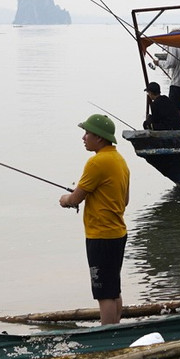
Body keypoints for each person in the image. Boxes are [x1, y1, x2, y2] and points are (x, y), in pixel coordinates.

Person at [58, 114, 130, 324]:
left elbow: (75, 198)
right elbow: (125, 200)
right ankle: (116, 329)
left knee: (103, 293)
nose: (83, 138)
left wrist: (65, 200)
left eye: (87, 133)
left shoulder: (96, 162)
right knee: (113, 288)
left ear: (99, 137)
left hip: (101, 236)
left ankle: (107, 335)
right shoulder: (120, 161)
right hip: (118, 233)